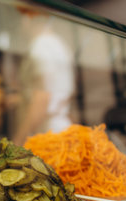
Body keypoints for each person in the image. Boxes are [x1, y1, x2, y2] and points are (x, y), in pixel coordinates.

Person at [11, 12, 75, 145]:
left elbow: (42, 98)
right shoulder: (59, 44)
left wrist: (17, 142)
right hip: (59, 129)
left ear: (27, 20)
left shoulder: (40, 47)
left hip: (46, 135)